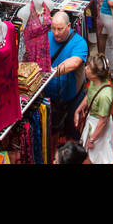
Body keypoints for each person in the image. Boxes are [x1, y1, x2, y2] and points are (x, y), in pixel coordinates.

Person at [42, 11, 89, 139]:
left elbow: (74, 63)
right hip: (49, 99)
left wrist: (52, 71)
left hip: (72, 99)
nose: (56, 33)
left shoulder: (79, 43)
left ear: (68, 26)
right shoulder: (46, 37)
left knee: (72, 132)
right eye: (53, 28)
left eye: (60, 29)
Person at [74, 52, 113, 164]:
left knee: (101, 156)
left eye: (88, 68)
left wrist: (92, 138)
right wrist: (78, 110)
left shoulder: (105, 96)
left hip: (98, 126)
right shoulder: (94, 82)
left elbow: (103, 121)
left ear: (95, 75)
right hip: (92, 121)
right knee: (92, 155)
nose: (85, 68)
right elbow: (89, 95)